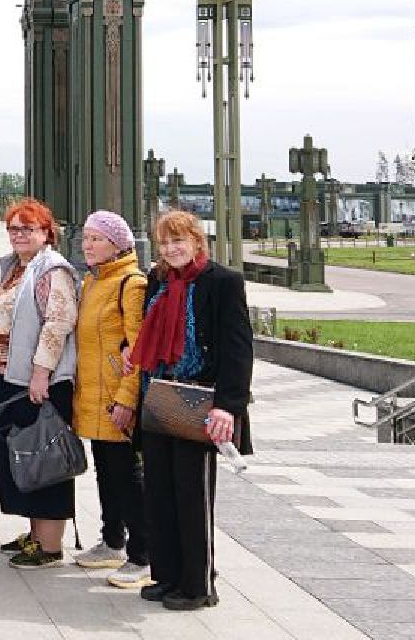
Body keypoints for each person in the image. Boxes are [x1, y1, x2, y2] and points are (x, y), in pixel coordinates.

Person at [132, 209, 254, 612]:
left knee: (191, 494)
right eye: (165, 242)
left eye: (178, 240)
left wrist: (228, 407)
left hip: (199, 398)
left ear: (197, 241)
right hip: (159, 394)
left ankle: (198, 585)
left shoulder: (223, 282)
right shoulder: (158, 280)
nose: (171, 249)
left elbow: (238, 349)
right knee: (159, 492)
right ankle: (167, 576)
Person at [0, 198, 80, 569]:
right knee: (25, 456)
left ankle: (50, 544)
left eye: (28, 228)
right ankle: (36, 533)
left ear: (46, 232)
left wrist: (41, 372)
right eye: (14, 228)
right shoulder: (16, 267)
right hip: (10, 378)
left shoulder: (52, 269)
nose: (19, 235)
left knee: (46, 456)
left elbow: (57, 323)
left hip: (38, 382)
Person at [71, 210, 152, 589]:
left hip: (116, 397)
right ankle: (112, 540)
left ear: (117, 245)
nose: (88, 245)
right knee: (106, 471)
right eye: (86, 238)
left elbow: (137, 348)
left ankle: (143, 554)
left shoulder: (130, 284)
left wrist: (127, 399)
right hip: (93, 393)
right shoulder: (93, 280)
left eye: (97, 239)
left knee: (126, 474)